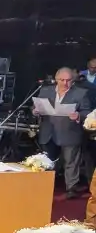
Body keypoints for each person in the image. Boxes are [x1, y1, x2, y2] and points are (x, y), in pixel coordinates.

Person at [34, 67, 90, 199]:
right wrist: (35, 111)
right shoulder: (45, 90)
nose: (65, 83)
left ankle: (71, 188)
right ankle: (45, 185)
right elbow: (36, 108)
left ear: (73, 80)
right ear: (56, 79)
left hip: (70, 132)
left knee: (71, 162)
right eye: (62, 80)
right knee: (47, 161)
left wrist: (78, 116)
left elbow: (87, 112)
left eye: (68, 80)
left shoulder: (81, 93)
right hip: (49, 131)